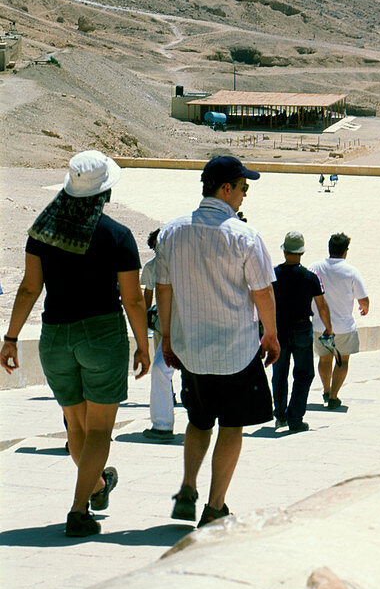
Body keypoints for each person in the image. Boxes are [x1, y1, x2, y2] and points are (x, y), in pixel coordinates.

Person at [2, 151, 150, 537]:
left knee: (76, 428)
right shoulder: (117, 235)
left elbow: (30, 288)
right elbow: (133, 299)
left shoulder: (43, 230)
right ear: (105, 194)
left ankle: (98, 485)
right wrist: (142, 344)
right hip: (101, 335)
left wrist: (11, 338)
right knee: (100, 431)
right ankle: (78, 510)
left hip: (54, 336)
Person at [155, 155, 278, 528]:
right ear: (226, 188)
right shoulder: (244, 235)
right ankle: (214, 506)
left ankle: (188, 486)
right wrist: (270, 334)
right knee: (231, 426)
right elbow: (262, 291)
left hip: (191, 349)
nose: (244, 196)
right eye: (243, 188)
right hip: (236, 351)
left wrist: (167, 337)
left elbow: (163, 288)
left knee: (198, 421)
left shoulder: (172, 232)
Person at [272, 232, 332, 433]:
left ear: (284, 250)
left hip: (279, 328)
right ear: (302, 252)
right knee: (304, 373)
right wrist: (328, 328)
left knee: (279, 372)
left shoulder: (273, 275)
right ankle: (295, 417)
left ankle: (280, 414)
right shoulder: (310, 277)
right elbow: (322, 306)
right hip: (301, 328)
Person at [310, 232, 369, 409]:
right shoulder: (351, 271)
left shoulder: (315, 267)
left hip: (320, 325)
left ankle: (326, 391)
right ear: (345, 251)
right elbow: (363, 299)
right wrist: (364, 308)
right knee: (342, 361)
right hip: (344, 326)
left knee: (324, 359)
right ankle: (334, 395)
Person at [140, 227, 176, 442]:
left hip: (173, 324)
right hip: (163, 324)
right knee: (162, 367)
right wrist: (143, 321)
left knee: (161, 368)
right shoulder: (153, 267)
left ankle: (163, 423)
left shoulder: (176, 264)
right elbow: (147, 294)